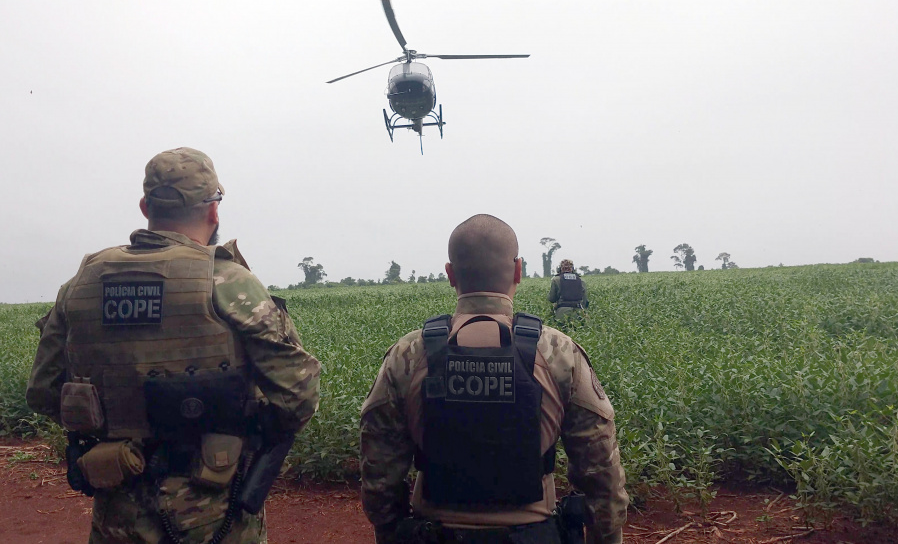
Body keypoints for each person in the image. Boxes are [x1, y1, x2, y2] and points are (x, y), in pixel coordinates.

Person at [26, 147, 321, 544]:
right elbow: (299, 394)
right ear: (214, 210)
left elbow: (44, 393)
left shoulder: (81, 285)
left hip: (117, 503)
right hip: (215, 510)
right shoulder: (227, 280)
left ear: (146, 205)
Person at [360, 214, 628, 544]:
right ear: (518, 270)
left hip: (432, 533)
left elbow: (379, 473)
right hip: (533, 534)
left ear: (450, 274)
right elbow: (601, 470)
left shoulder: (408, 355)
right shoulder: (559, 352)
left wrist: (392, 532)